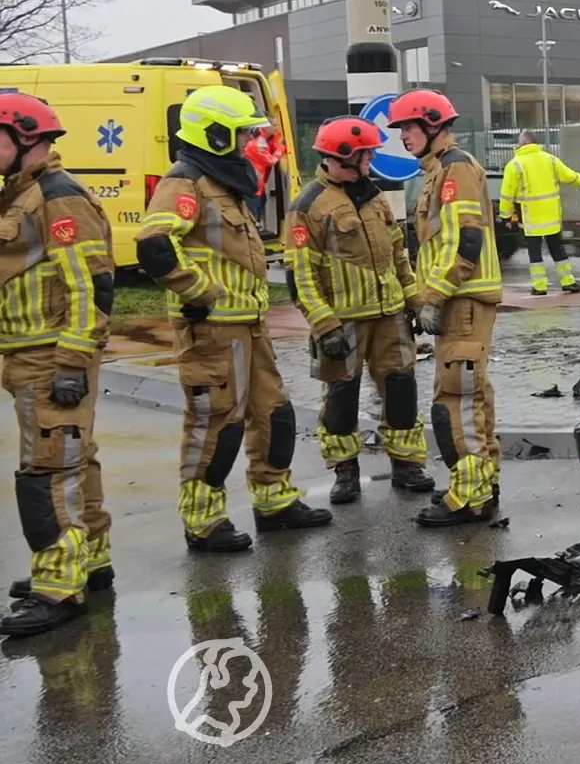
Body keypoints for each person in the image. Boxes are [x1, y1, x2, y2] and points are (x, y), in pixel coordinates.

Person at [137, 84, 334, 551]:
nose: (251, 145)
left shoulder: (220, 184)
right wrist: (198, 292)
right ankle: (203, 520)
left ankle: (275, 501)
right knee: (216, 424)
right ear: (216, 136)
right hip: (211, 330)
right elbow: (153, 244)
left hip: (249, 325)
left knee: (274, 415)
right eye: (243, 135)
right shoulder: (184, 183)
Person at [0, 96, 114, 636]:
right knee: (74, 461)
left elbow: (90, 284)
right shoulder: (21, 194)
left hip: (51, 356)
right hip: (30, 353)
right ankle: (88, 560)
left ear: (26, 137)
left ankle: (56, 587)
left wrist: (71, 361)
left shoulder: (55, 198)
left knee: (47, 472)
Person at [284, 115, 437, 506]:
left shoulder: (375, 197)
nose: (371, 160)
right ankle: (345, 470)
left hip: (390, 317)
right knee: (341, 398)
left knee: (401, 389)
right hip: (344, 322)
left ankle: (407, 464)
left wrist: (415, 300)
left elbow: (399, 256)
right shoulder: (309, 206)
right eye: (367, 154)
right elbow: (301, 275)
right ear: (346, 156)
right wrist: (324, 325)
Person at [388, 89, 505, 527]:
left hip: (462, 301)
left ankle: (470, 495)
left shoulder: (454, 170)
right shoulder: (441, 170)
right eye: (400, 128)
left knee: (456, 399)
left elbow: (465, 242)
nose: (403, 136)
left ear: (434, 123)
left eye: (409, 127)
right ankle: (483, 481)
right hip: (461, 299)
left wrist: (433, 296)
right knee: (471, 395)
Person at [500, 131, 580, 296]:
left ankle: (540, 286)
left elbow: (507, 194)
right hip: (552, 216)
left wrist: (505, 215)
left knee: (535, 252)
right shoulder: (550, 160)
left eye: (519, 142)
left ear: (524, 142)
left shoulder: (515, 165)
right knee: (558, 249)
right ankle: (568, 281)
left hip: (530, 218)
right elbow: (569, 176)